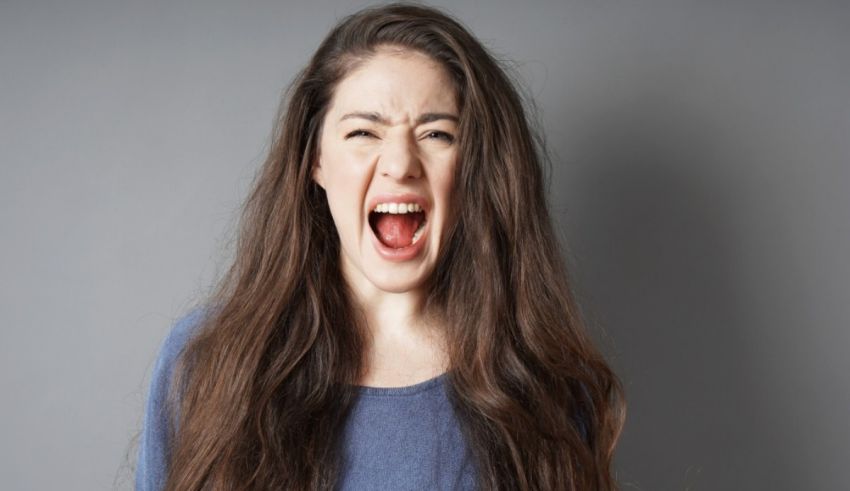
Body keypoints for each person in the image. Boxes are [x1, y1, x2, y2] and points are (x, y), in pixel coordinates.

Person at [136, 3, 625, 490]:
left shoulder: (548, 393)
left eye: (437, 133)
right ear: (316, 161)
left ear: (475, 167)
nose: (399, 163)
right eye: (363, 132)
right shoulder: (206, 363)